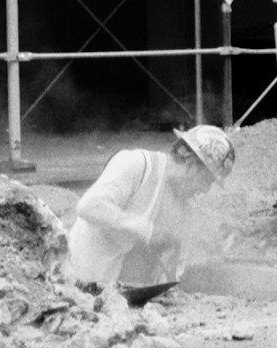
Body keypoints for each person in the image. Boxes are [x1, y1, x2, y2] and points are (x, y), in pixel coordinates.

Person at [67, 125, 235, 304]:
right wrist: (147, 231)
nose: (205, 190)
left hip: (118, 302)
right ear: (192, 165)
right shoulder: (137, 165)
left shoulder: (186, 210)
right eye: (207, 180)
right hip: (75, 287)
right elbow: (89, 206)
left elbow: (171, 278)